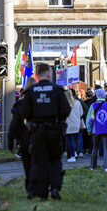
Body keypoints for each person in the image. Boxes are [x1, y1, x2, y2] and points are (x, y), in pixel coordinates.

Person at [19, 63, 71, 200]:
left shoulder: (31, 91)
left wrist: (34, 119)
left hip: (37, 131)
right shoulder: (57, 90)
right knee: (55, 160)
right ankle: (54, 188)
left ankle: (42, 192)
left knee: (39, 160)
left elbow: (24, 112)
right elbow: (66, 110)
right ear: (48, 74)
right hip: (55, 130)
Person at [8, 77, 37, 199]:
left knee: (27, 164)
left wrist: (11, 140)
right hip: (39, 137)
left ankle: (30, 188)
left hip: (25, 138)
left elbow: (14, 123)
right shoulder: (41, 101)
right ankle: (39, 187)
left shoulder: (20, 103)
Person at [86, 88, 107, 172]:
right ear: (104, 95)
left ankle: (93, 166)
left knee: (95, 148)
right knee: (106, 148)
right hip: (106, 129)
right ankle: (106, 167)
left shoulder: (93, 105)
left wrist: (89, 130)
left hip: (95, 129)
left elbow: (90, 119)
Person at [65, 90, 83, 162]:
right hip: (76, 124)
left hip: (68, 124)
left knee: (70, 140)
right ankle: (76, 152)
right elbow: (81, 113)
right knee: (76, 139)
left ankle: (72, 155)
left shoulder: (64, 104)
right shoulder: (78, 103)